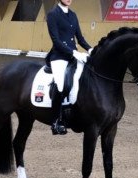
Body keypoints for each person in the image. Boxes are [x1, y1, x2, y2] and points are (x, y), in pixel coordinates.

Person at [46, 0, 93, 135]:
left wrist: (91, 50)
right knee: (61, 85)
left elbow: (80, 38)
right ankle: (55, 121)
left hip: (74, 56)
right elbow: (56, 41)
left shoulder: (73, 15)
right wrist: (74, 52)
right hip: (59, 56)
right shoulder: (52, 15)